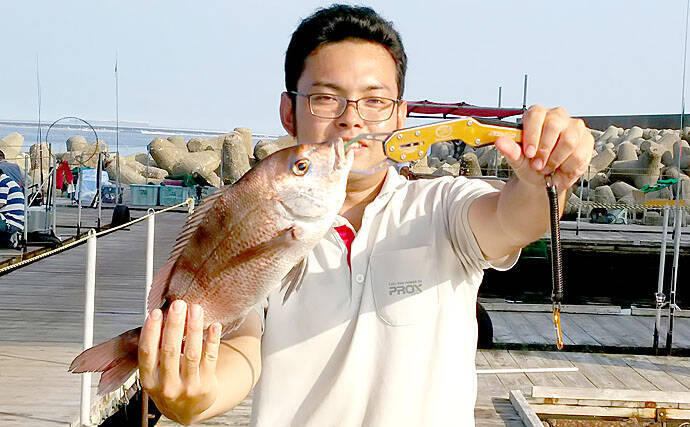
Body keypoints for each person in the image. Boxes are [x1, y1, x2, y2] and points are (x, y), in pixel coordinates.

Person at [137, 5, 594, 426]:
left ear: (400, 116)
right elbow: (242, 348)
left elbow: (516, 220)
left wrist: (544, 181)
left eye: (374, 100)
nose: (351, 120)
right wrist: (193, 397)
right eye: (325, 98)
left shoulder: (443, 208)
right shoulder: (267, 221)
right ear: (288, 112)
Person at [0, 167, 25, 249]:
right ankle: (8, 239)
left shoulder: (3, 183)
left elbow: (0, 203)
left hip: (10, 221)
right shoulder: (8, 180)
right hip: (14, 221)